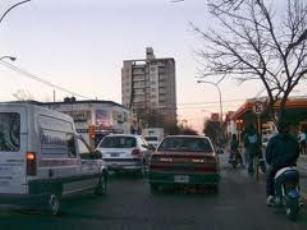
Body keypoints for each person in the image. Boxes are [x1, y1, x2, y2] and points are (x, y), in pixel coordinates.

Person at [265, 121, 300, 206]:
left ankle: (270, 196)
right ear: (288, 129)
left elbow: (268, 155)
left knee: (269, 176)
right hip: (291, 166)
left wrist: (272, 162)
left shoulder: (273, 140)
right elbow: (297, 152)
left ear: (278, 129)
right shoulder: (294, 140)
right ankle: (298, 197)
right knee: (295, 180)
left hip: (278, 166)